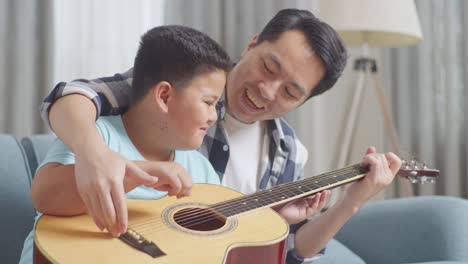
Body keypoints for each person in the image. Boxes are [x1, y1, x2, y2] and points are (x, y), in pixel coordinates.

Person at [38, 9, 401, 263]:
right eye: (269, 66)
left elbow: (285, 253)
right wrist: (96, 157)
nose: (268, 90)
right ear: (252, 44)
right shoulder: (186, 84)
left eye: (291, 92)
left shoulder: (287, 153)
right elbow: (76, 96)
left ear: (303, 101)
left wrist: (340, 205)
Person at [19, 25, 233, 263]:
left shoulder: (202, 170)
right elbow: (45, 196)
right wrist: (141, 173)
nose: (214, 116)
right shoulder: (96, 134)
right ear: (164, 96)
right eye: (208, 102)